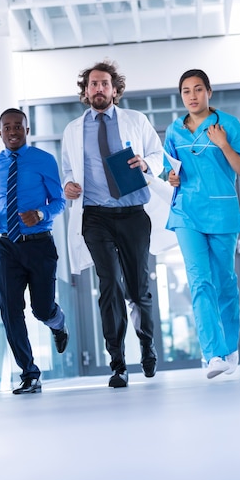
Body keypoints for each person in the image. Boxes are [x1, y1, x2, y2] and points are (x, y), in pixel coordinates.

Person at [62, 60, 164, 388]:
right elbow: (67, 170)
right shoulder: (73, 130)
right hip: (95, 216)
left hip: (133, 213)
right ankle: (117, 361)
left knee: (137, 288)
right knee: (109, 285)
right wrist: (69, 185)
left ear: (115, 90)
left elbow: (158, 154)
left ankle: (146, 344)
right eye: (93, 84)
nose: (98, 89)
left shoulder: (136, 120)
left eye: (104, 84)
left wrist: (146, 163)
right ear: (86, 90)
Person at [164, 69, 240, 380]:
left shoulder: (228, 125)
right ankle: (213, 354)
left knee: (225, 281)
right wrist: (171, 177)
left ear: (209, 92)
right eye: (186, 90)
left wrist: (224, 144)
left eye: (198, 89)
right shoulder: (174, 130)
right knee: (200, 281)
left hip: (222, 213)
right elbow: (170, 172)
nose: (192, 95)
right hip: (187, 213)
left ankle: (229, 346)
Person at [0, 108, 69, 394]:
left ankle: (57, 321)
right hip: (7, 245)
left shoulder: (44, 160)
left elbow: (58, 201)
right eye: (7, 127)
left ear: (27, 130)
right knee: (9, 310)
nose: (13, 131)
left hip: (40, 244)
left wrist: (41, 215)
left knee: (41, 308)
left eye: (18, 126)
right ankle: (29, 373)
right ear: (0, 133)